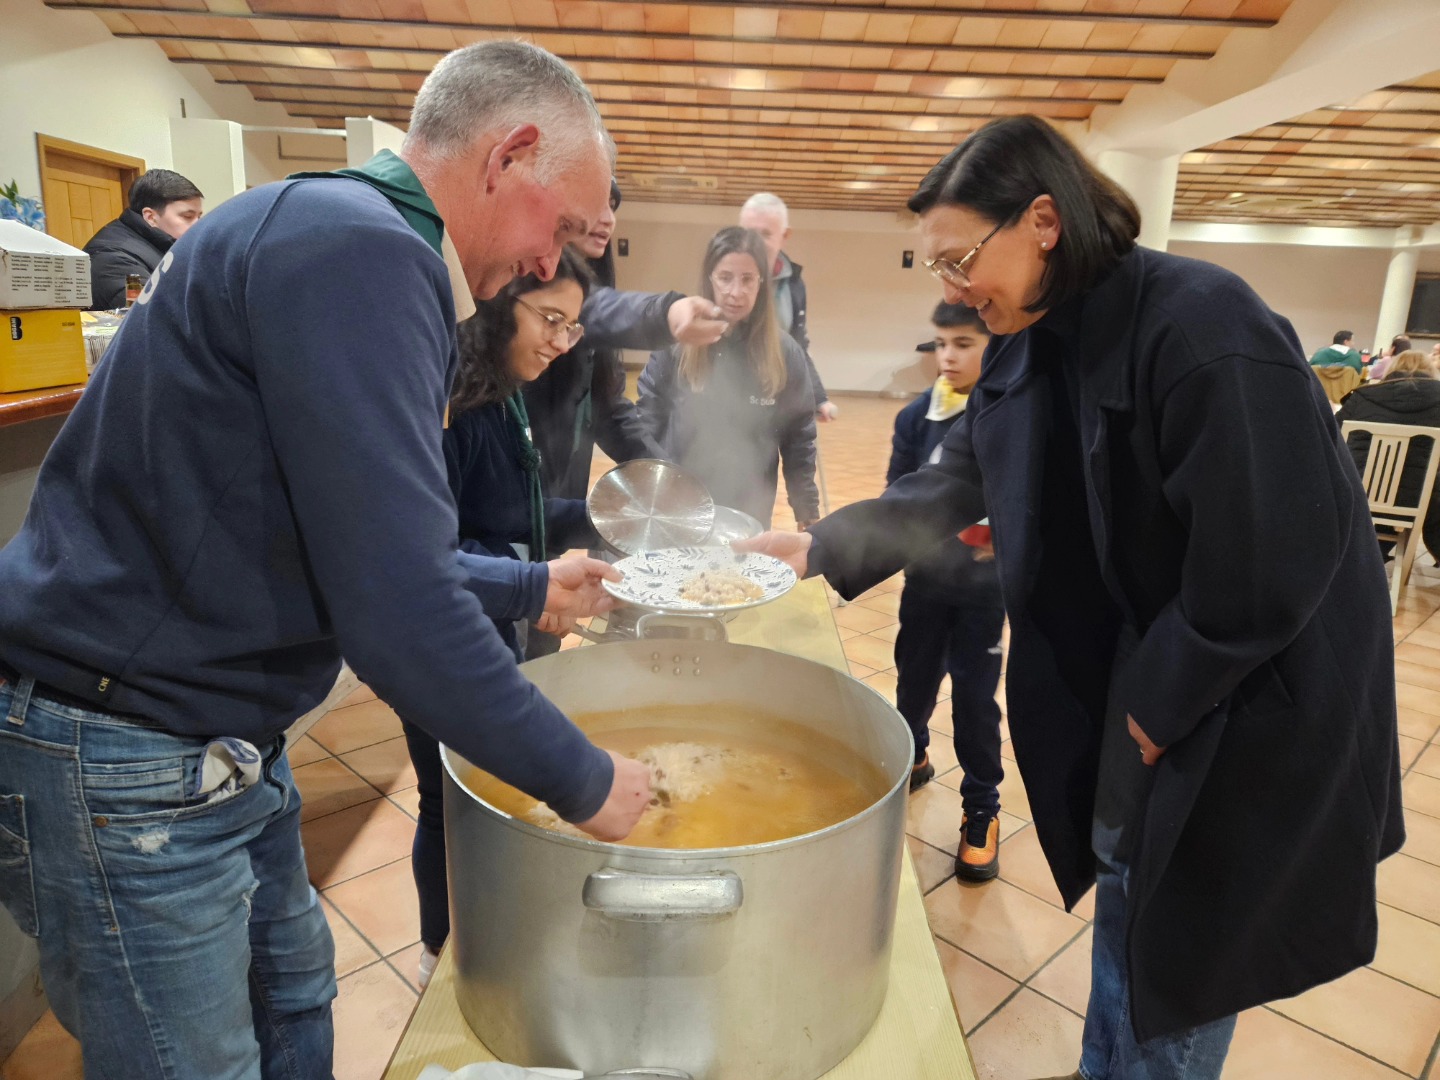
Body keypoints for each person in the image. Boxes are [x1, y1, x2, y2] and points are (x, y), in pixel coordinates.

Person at [0, 40, 653, 1080]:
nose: (548, 266)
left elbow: (359, 541)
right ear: (509, 156)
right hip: (129, 744)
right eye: (560, 229)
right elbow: (399, 609)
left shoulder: (330, 227)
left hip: (216, 736)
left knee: (296, 998)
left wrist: (531, 582)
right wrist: (587, 779)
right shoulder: (366, 252)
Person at [739, 115, 1403, 1080]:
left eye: (961, 259)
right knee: (1130, 900)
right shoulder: (1030, 335)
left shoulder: (1202, 325)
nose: (952, 289)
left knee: (1183, 952)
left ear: (1044, 222)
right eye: (937, 267)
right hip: (1152, 671)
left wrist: (1156, 706)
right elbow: (962, 472)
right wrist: (823, 544)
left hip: (1237, 692)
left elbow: (1271, 567)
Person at [406, 249, 603, 988]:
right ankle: (438, 950)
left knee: (481, 789)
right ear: (496, 305)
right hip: (438, 634)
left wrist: (611, 517)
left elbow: (511, 514)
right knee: (446, 796)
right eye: (550, 319)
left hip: (484, 617)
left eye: (572, 327)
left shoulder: (503, 394)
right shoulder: (451, 403)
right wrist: (534, 585)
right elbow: (432, 552)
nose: (559, 342)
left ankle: (491, 934)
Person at [890, 301, 1006, 882]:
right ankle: (913, 755)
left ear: (996, 346)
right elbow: (898, 494)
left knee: (975, 704)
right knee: (912, 685)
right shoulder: (917, 417)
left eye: (964, 343)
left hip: (985, 595)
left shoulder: (1012, 418)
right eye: (941, 344)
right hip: (925, 584)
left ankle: (981, 808)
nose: (949, 356)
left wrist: (1000, 538)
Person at [638, 225, 819, 529]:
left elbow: (798, 435)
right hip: (678, 505)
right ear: (709, 279)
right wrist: (646, 487)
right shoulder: (676, 343)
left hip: (749, 508)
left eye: (747, 279)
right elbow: (648, 419)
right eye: (725, 278)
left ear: (761, 282)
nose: (736, 292)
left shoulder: (785, 352)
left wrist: (806, 508)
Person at [739, 192, 838, 421]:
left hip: (776, 399)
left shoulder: (794, 284)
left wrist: (819, 397)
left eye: (765, 234)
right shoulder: (725, 279)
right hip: (731, 398)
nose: (754, 243)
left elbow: (798, 345)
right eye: (748, 234)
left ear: (784, 236)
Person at [1336, 348, 1440, 558]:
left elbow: (1333, 435)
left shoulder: (1362, 396)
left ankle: (1367, 555)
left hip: (1358, 491)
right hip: (1419, 500)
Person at [83, 168, 204, 309]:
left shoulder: (165, 247)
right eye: (188, 216)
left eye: (199, 217)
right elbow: (155, 314)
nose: (199, 225)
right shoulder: (113, 258)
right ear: (150, 217)